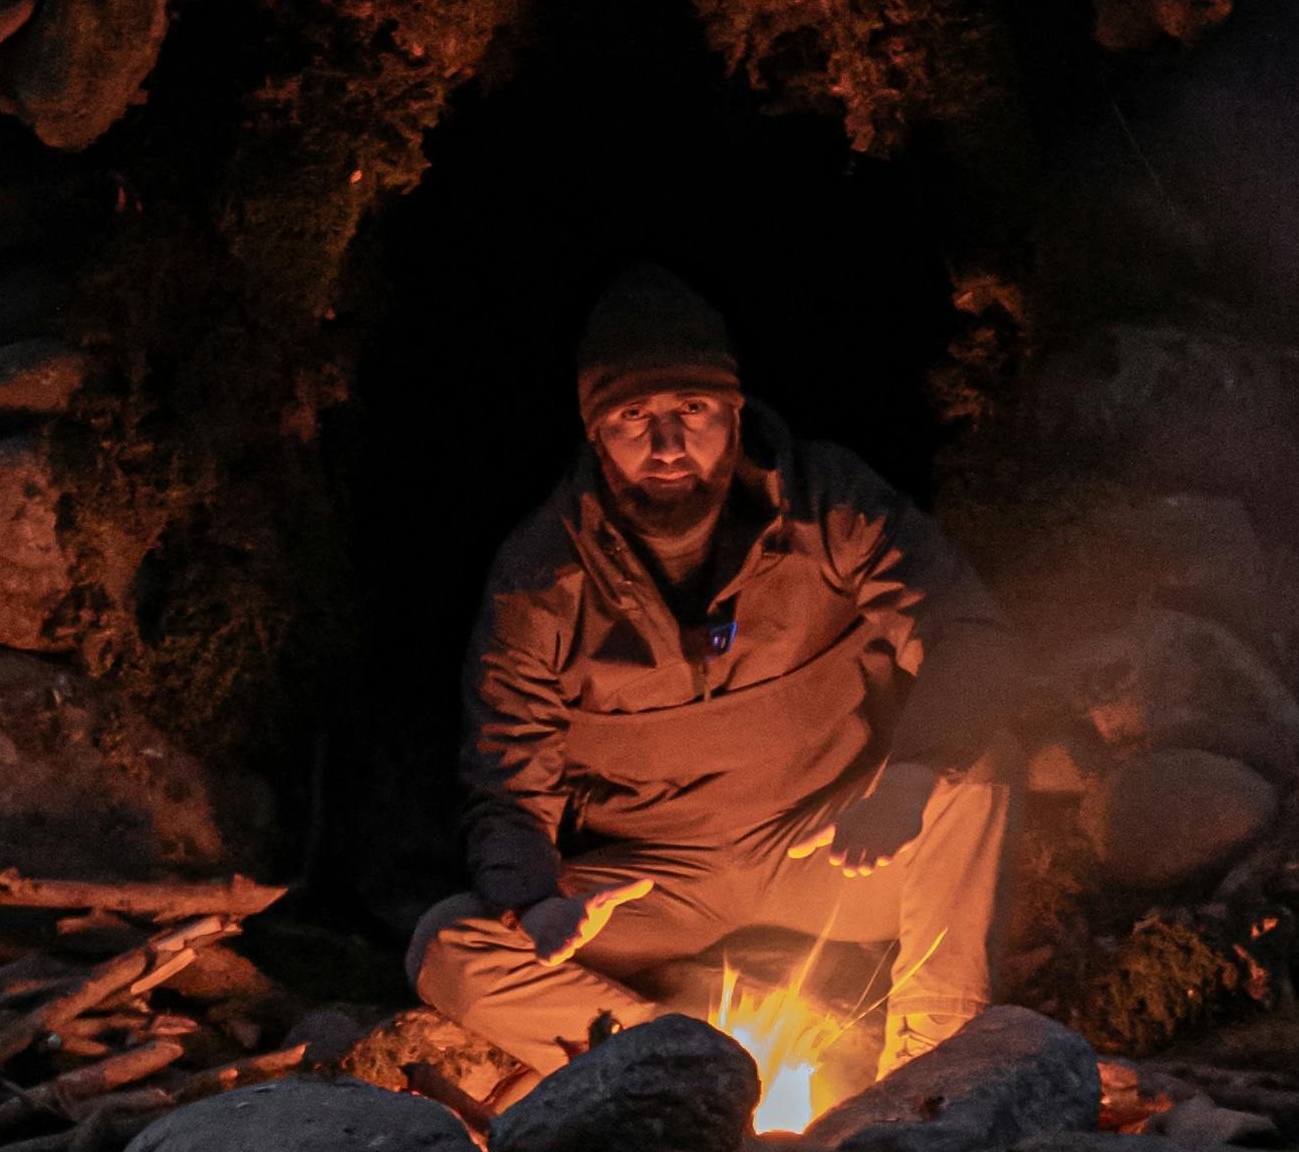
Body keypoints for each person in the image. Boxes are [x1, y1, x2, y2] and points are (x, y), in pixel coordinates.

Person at [408, 264, 1022, 1090]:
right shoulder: (541, 574)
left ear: (733, 412)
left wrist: (908, 778)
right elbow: (506, 782)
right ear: (596, 434)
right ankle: (692, 1069)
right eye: (634, 418)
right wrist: (536, 898)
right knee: (450, 947)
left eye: (692, 411)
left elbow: (967, 634)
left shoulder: (823, 500)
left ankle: (930, 1072)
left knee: (975, 768)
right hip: (650, 888)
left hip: (828, 847)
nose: (667, 446)